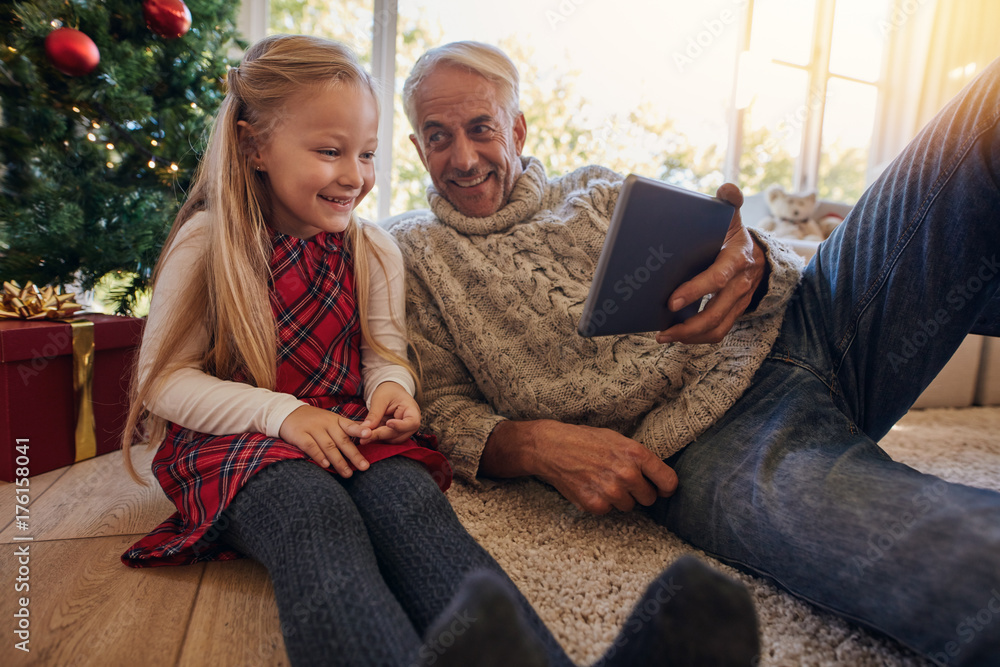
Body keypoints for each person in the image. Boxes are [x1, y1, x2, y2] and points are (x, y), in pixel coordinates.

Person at [117, 34, 762, 667]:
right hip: (239, 441)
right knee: (312, 518)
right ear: (254, 146)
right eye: (330, 151)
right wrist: (282, 414)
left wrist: (391, 390)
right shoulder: (208, 242)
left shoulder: (372, 249)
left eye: (367, 154)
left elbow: (383, 354)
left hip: (351, 428)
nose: (355, 176)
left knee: (413, 509)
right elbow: (165, 381)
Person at [389, 40, 1000, 666]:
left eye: (481, 128)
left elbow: (750, 259)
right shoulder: (409, 251)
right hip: (712, 444)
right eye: (437, 137)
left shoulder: (599, 189)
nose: (462, 158)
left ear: (516, 129)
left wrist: (751, 262)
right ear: (416, 148)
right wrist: (536, 445)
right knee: (952, 555)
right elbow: (440, 406)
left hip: (817, 323)